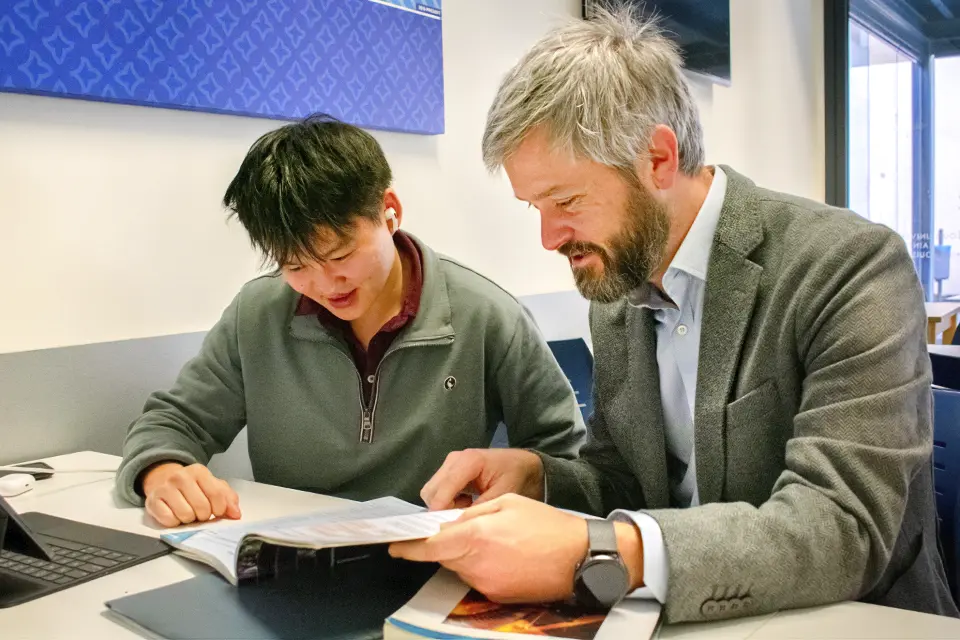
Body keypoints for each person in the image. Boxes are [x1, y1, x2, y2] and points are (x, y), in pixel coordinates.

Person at [389, 7, 959, 623]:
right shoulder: (617, 290)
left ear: (658, 159)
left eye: (568, 200)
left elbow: (841, 527)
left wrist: (610, 551)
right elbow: (628, 479)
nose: (550, 238)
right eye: (536, 208)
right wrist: (539, 479)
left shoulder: (848, 265)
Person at [114, 114, 586, 527]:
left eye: (340, 254)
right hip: (292, 561)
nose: (325, 283)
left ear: (390, 212)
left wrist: (518, 481)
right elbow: (174, 421)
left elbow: (564, 455)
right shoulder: (256, 315)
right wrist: (163, 471)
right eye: (295, 266)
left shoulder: (486, 315)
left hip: (435, 560)